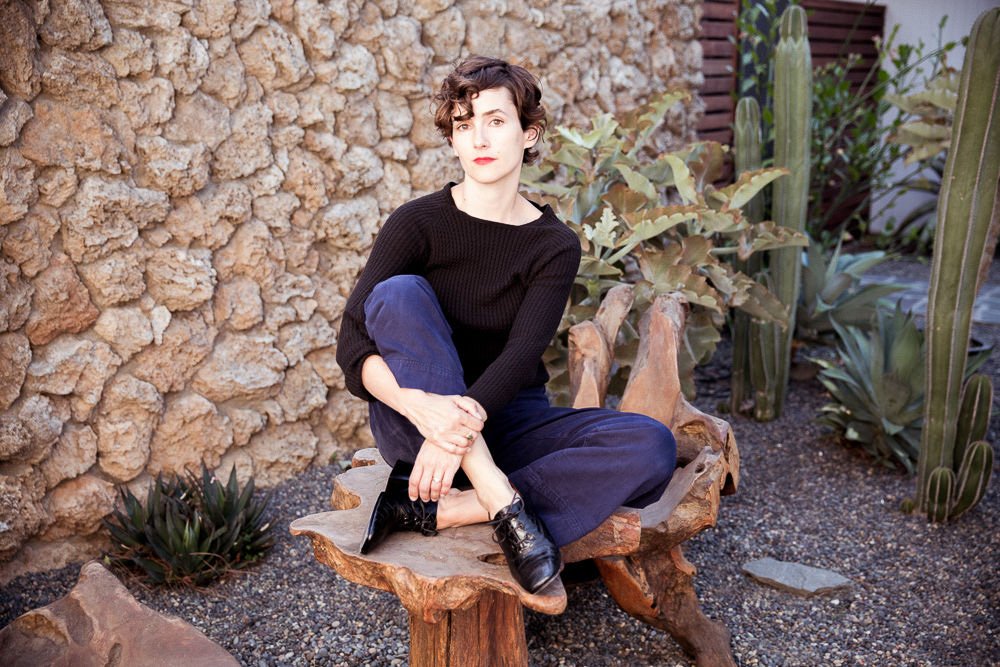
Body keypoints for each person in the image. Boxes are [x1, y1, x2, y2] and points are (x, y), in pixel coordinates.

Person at [335, 56, 677, 594]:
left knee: (652, 444)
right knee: (398, 293)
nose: (479, 138)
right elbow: (352, 343)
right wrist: (424, 410)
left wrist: (458, 432)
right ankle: (501, 500)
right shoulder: (416, 223)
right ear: (452, 140)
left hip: (508, 421)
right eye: (463, 124)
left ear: (528, 133)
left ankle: (447, 508)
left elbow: (520, 356)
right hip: (416, 425)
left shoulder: (553, 244)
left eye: (495, 120)